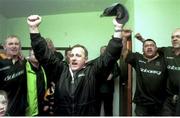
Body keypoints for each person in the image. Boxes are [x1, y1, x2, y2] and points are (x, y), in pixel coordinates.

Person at [27, 15, 124, 116]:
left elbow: (110, 55)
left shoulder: (92, 72)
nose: (73, 58)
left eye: (78, 55)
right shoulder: (60, 71)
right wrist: (33, 28)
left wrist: (118, 29)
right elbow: (43, 54)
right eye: (72, 55)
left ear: (85, 59)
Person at [123, 33, 168, 116]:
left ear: (156, 48)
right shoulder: (137, 58)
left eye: (152, 46)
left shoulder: (163, 60)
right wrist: (125, 38)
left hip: (160, 104)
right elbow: (125, 53)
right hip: (142, 104)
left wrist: (142, 40)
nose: (149, 47)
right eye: (146, 46)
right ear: (143, 49)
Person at [0, 35, 27, 115]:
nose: (14, 46)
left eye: (16, 44)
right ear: (4, 47)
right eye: (10, 44)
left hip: (21, 110)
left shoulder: (24, 63)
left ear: (20, 47)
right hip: (5, 109)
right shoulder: (1, 63)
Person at [157, 28, 180, 116]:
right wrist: (142, 39)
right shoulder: (167, 51)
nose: (174, 39)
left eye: (178, 37)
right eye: (172, 37)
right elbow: (152, 48)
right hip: (169, 98)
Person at [97, 45, 120, 116]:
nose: (104, 51)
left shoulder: (113, 61)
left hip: (108, 89)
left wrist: (112, 74)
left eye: (105, 50)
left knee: (108, 109)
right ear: (100, 51)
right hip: (97, 89)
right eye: (102, 50)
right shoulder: (96, 61)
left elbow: (117, 71)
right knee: (95, 109)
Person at [25, 49, 47, 116]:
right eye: (34, 54)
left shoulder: (42, 68)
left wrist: (46, 103)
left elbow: (44, 88)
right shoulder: (24, 68)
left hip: (42, 107)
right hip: (30, 110)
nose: (37, 56)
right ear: (29, 56)